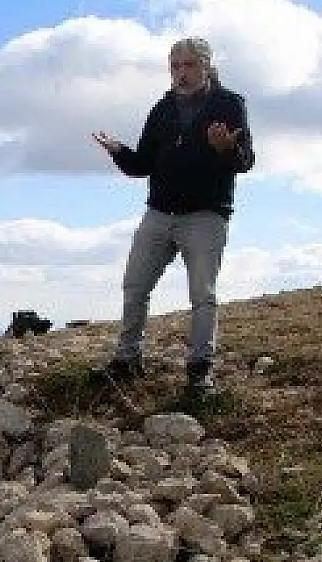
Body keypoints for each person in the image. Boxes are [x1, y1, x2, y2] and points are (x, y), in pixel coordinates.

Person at [91, 36, 254, 393]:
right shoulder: (161, 109)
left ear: (206, 66)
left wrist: (226, 148)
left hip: (205, 216)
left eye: (189, 65)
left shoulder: (229, 104)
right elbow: (143, 164)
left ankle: (199, 372)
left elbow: (245, 162)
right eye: (175, 66)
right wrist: (119, 151)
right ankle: (127, 361)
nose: (181, 73)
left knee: (202, 294)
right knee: (135, 285)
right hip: (159, 214)